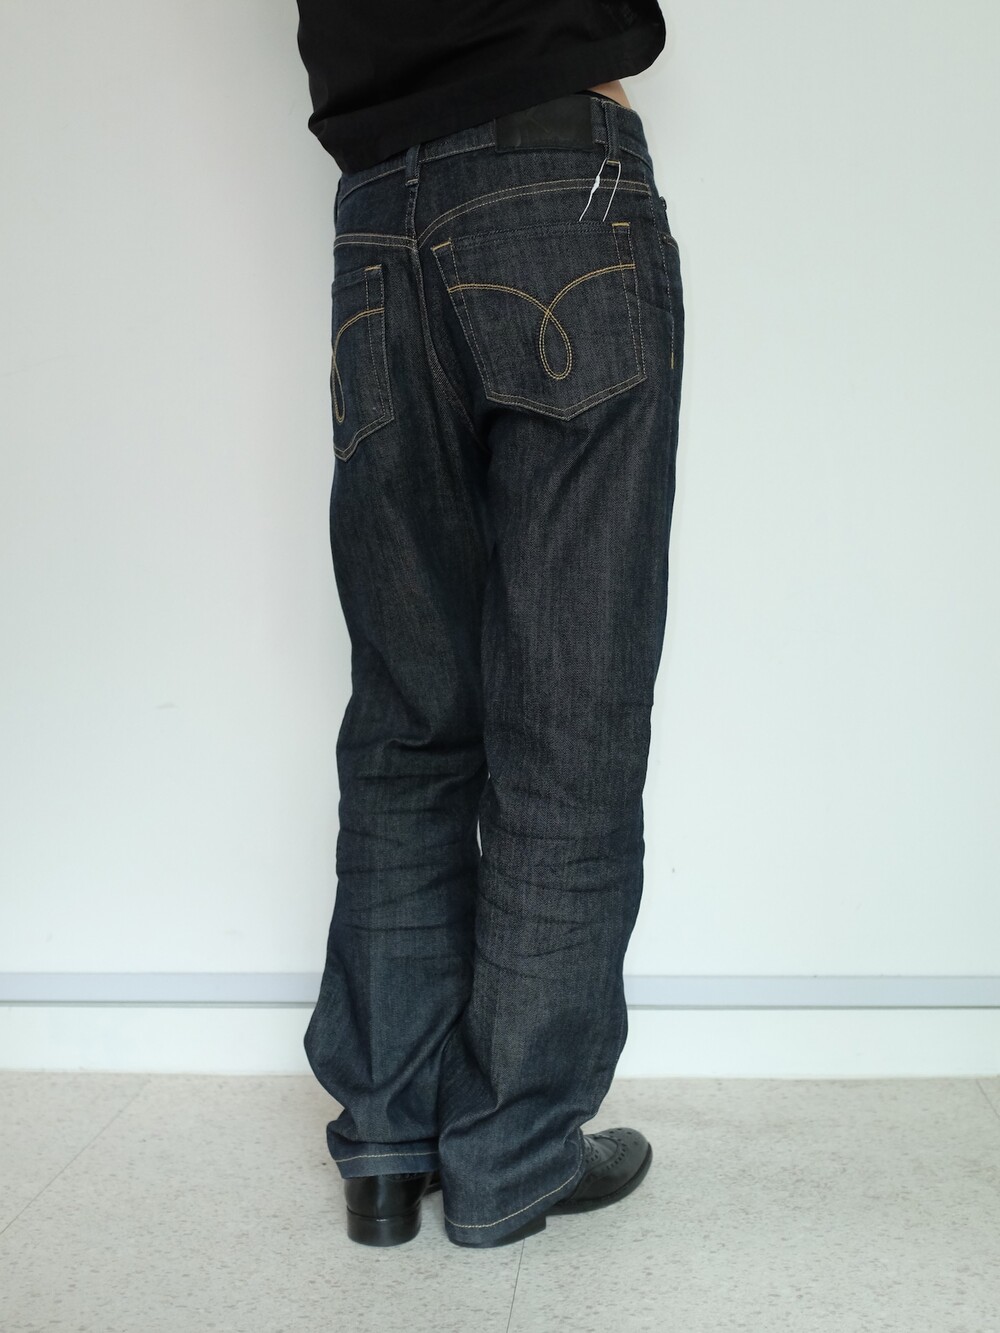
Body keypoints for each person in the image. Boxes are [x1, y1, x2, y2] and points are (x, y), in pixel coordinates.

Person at [295, 0, 684, 1248]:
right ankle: (510, 1156)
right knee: (567, 727)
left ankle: (387, 1139)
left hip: (376, 216)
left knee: (407, 724)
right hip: (553, 182)